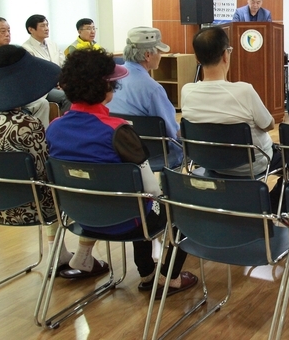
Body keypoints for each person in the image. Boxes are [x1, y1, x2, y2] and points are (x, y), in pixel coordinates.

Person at [46, 48, 197, 295]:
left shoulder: (54, 127)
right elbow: (151, 190)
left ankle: (147, 273)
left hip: (80, 218)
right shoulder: (118, 130)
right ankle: (167, 277)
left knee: (140, 203)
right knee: (180, 205)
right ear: (106, 87)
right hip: (125, 221)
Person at [0, 44, 96, 278]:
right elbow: (46, 174)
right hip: (28, 208)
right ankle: (84, 256)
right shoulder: (26, 125)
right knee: (91, 184)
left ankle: (59, 252)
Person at [181, 26, 282, 205]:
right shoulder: (244, 91)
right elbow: (269, 125)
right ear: (225, 55)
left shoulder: (187, 91)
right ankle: (271, 206)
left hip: (208, 161)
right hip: (251, 165)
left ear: (197, 58)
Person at [106, 27, 182, 167]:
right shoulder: (153, 89)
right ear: (148, 55)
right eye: (159, 51)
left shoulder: (111, 80)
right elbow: (171, 132)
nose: (160, 55)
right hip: (154, 155)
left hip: (119, 151)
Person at [0, 16, 51, 127]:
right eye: (3, 31)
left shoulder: (13, 51)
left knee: (42, 103)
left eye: (9, 31)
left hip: (15, 95)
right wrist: (6, 94)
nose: (7, 34)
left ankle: (39, 135)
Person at [22, 14, 71, 114]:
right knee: (67, 97)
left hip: (58, 84)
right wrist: (55, 83)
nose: (47, 28)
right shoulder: (26, 48)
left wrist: (63, 82)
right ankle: (63, 122)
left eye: (47, 25)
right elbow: (34, 74)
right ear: (31, 29)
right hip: (42, 89)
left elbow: (64, 65)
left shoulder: (53, 44)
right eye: (42, 26)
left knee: (80, 92)